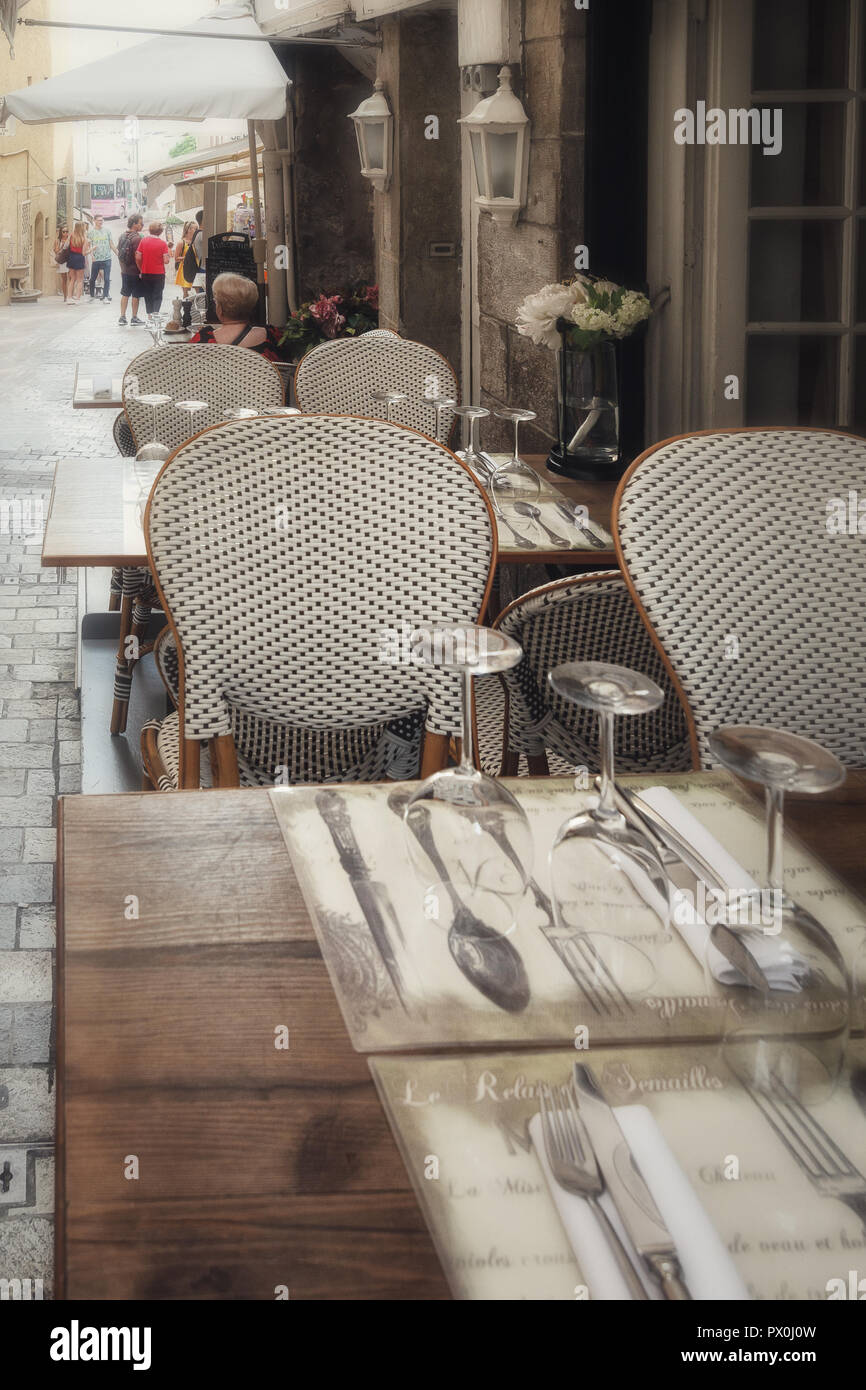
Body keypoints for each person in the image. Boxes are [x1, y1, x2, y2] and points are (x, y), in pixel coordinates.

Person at [188, 272, 284, 361]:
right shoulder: (272, 336)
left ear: (220, 309)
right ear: (251, 307)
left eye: (216, 302)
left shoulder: (203, 340)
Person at [134, 220, 172, 317]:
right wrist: (169, 251)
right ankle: (155, 315)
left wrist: (141, 268)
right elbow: (166, 261)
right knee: (157, 295)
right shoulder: (163, 244)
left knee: (148, 294)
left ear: (150, 230)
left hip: (146, 272)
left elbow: (138, 257)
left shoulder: (144, 241)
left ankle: (149, 315)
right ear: (160, 232)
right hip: (158, 273)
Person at [117, 213, 145, 326]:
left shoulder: (122, 236)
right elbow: (138, 258)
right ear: (134, 224)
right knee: (136, 295)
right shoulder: (137, 238)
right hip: (135, 271)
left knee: (125, 293)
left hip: (125, 271)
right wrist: (141, 271)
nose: (142, 225)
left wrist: (122, 269)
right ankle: (134, 318)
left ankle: (122, 317)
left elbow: (120, 255)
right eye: (140, 223)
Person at [88, 214, 117, 303]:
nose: (101, 222)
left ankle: (105, 297)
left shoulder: (107, 231)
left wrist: (118, 253)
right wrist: (92, 256)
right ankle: (92, 296)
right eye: (99, 220)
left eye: (102, 220)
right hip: (96, 259)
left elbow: (111, 244)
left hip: (107, 258)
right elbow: (90, 246)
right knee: (92, 278)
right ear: (95, 221)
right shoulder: (91, 233)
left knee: (107, 278)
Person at [66, 222, 91, 304]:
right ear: (82, 228)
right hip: (79, 258)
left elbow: (66, 246)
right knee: (80, 280)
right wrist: (92, 249)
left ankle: (69, 298)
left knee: (72, 279)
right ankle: (77, 298)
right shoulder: (85, 239)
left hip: (71, 257)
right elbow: (84, 253)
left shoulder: (71, 236)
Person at [174, 220, 197, 298]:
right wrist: (187, 258)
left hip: (194, 268)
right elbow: (176, 258)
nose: (197, 231)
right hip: (185, 269)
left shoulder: (195, 242)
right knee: (186, 293)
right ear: (189, 230)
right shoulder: (181, 242)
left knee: (197, 291)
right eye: (195, 229)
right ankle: (186, 309)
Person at [53, 223, 70, 301]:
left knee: (71, 278)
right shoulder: (57, 241)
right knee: (64, 279)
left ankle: (70, 295)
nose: (65, 233)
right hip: (62, 261)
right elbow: (56, 251)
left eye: (67, 231)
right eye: (64, 231)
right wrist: (62, 246)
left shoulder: (70, 239)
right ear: (61, 232)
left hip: (70, 260)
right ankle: (65, 297)